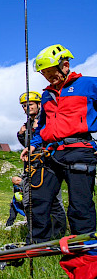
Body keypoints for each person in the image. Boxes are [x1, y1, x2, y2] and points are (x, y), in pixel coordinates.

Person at [21, 44, 97, 243]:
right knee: (39, 199)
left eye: (50, 72)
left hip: (80, 151)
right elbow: (43, 127)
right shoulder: (46, 95)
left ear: (65, 65)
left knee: (80, 204)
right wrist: (32, 145)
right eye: (44, 73)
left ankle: (84, 246)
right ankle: (38, 243)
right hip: (51, 154)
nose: (47, 76)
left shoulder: (88, 85)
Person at [17, 91, 67, 238]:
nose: (27, 108)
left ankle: (58, 233)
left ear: (39, 104)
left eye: (30, 105)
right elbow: (26, 144)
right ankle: (37, 231)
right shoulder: (27, 125)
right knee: (30, 200)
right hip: (32, 166)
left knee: (54, 201)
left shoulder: (46, 119)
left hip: (47, 164)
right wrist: (21, 135)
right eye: (24, 106)